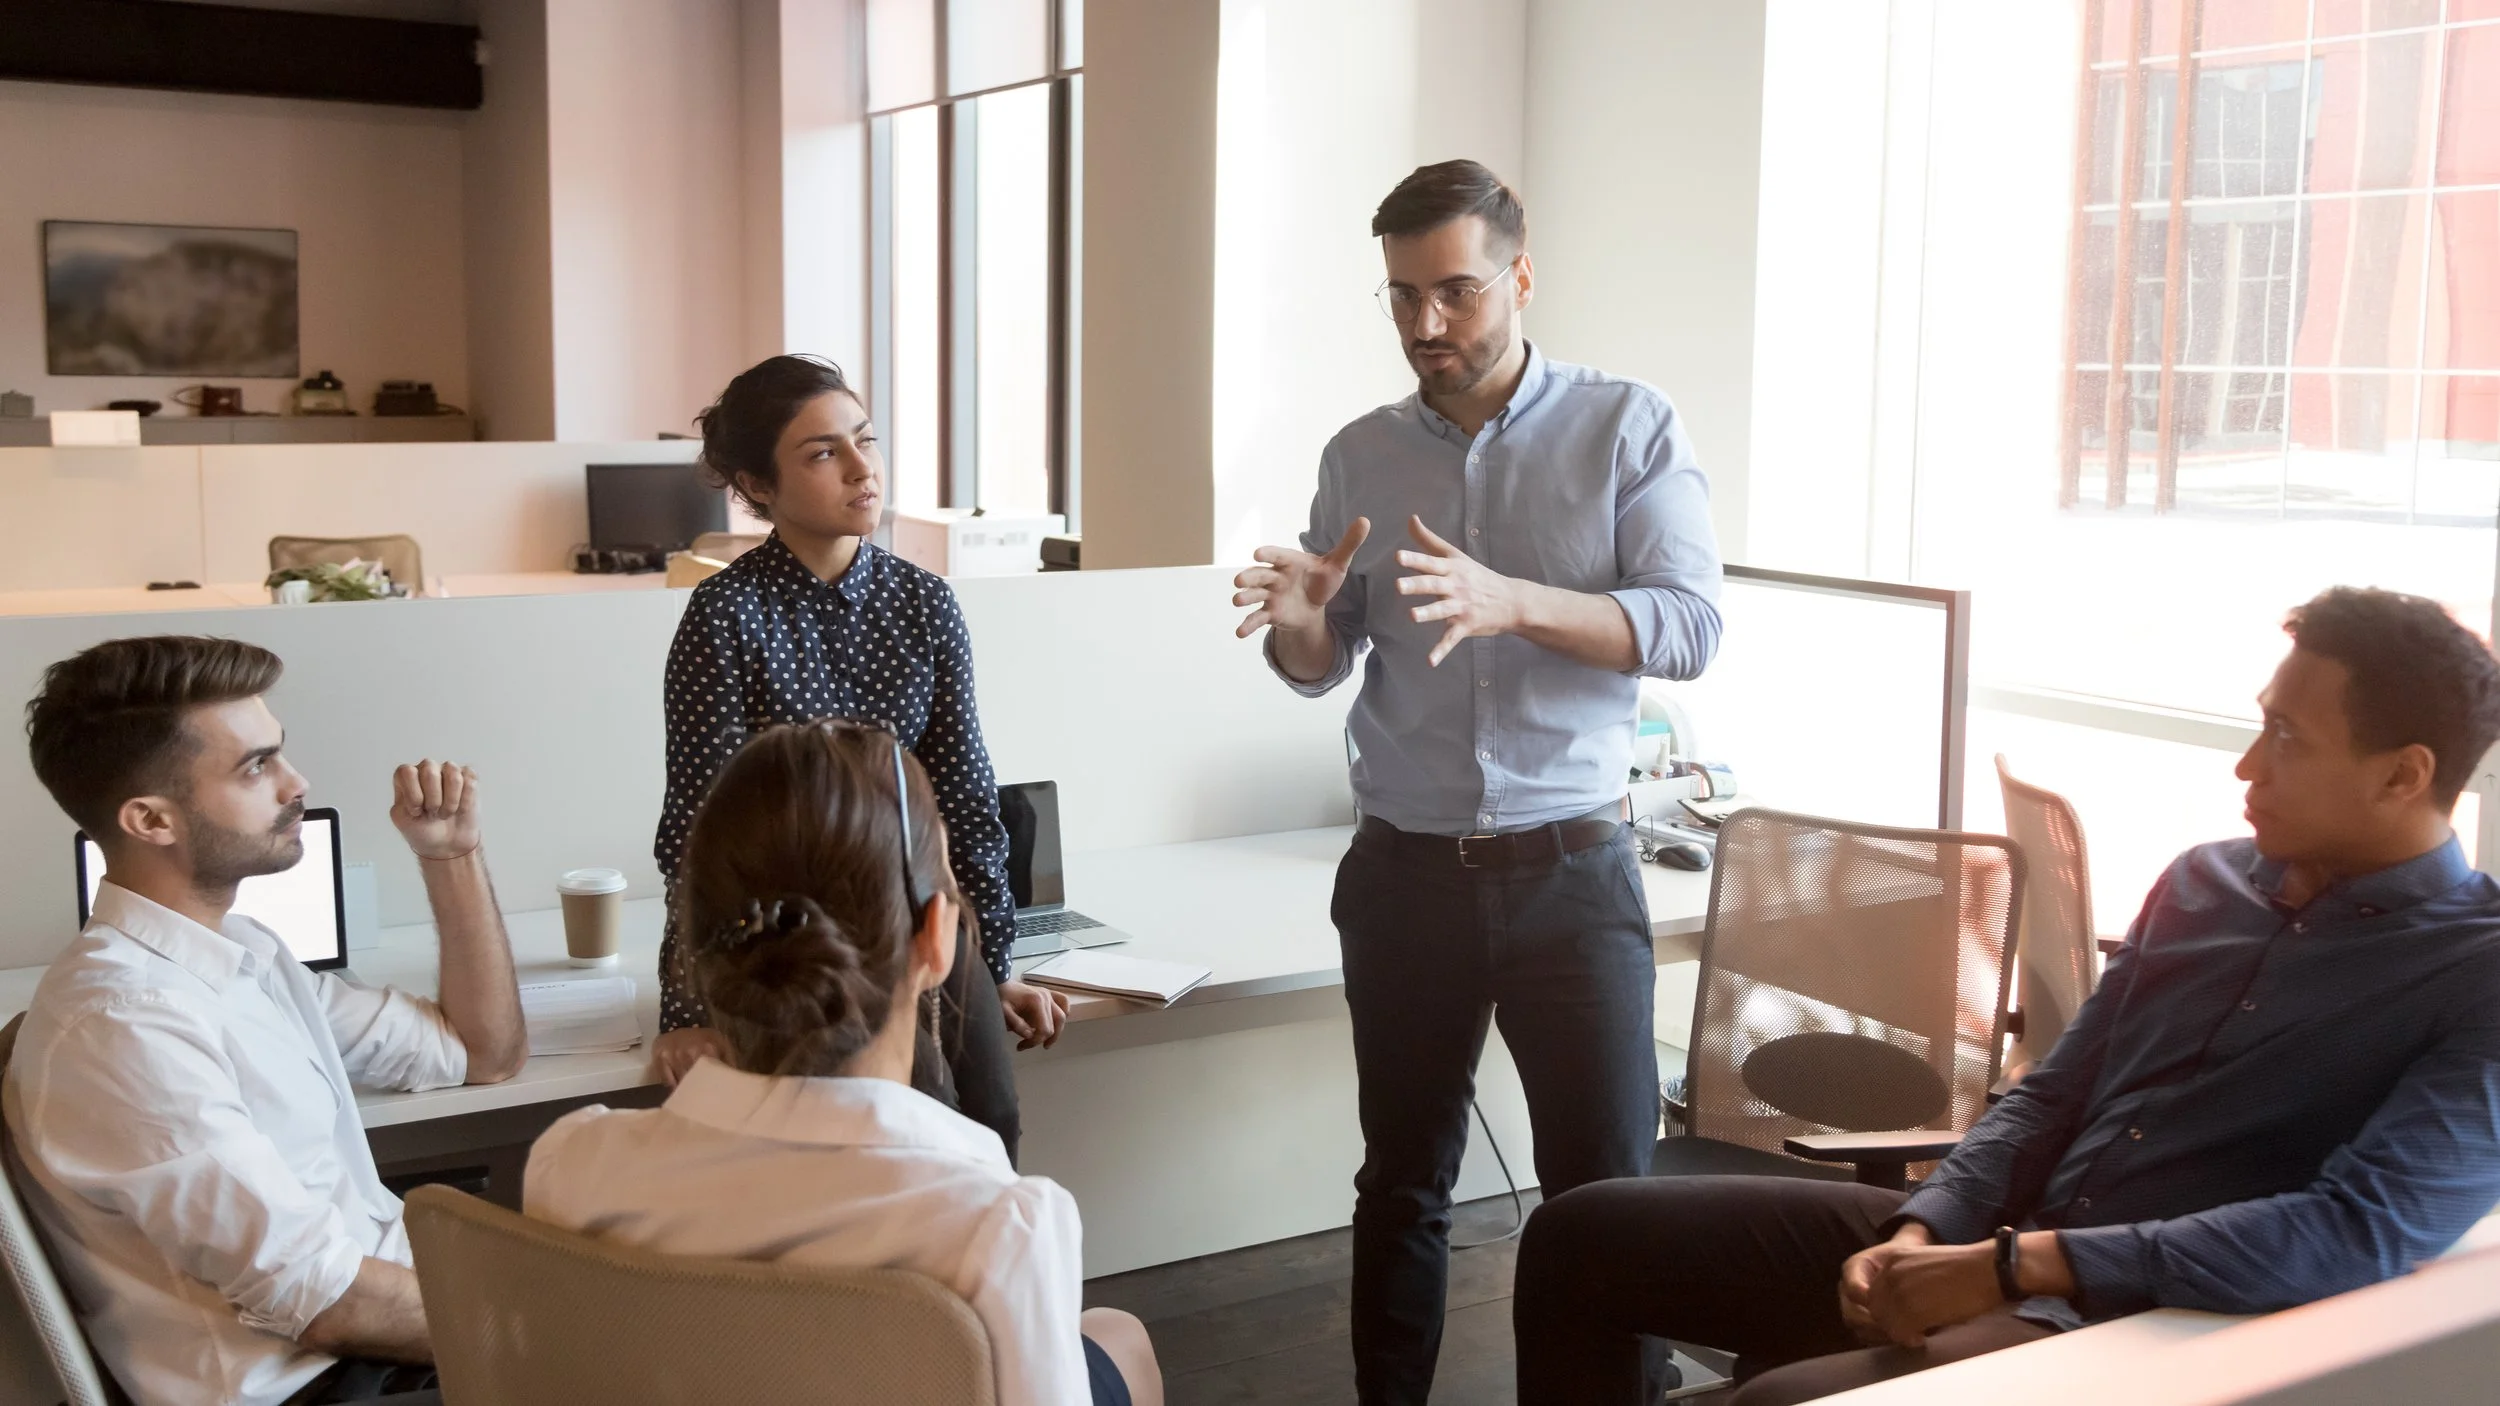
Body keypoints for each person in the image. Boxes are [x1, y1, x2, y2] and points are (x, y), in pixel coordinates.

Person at [1511, 586, 2500, 1405]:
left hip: (2131, 1317)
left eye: (2286, 735)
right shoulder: (2205, 880)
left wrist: (2016, 1266)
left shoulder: (2475, 974)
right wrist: (1925, 1226)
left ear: (2402, 774)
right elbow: (2050, 1092)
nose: (2246, 764)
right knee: (1578, 1234)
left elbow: (2354, 1230)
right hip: (1991, 1245)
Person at [1230, 159, 1725, 1403]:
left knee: (1603, 1196)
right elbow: (1322, 662)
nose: (1426, 327)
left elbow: (1686, 625)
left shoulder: (1627, 424)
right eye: (1401, 297)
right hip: (1405, 875)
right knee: (1400, 1180)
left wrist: (1514, 603)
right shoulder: (1359, 454)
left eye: (1454, 292)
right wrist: (1301, 623)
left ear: (1519, 274)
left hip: (1573, 872)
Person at [526, 720, 1162, 1406]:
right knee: (1117, 1335)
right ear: (936, 940)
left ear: (696, 951)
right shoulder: (1000, 1225)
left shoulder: (571, 1164)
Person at [1, 636, 528, 1406]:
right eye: (256, 766)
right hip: (329, 1382)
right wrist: (544, 1319)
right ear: (151, 819)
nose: (296, 783)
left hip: (395, 1334)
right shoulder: (125, 1025)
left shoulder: (240, 953)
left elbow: (480, 1054)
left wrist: (451, 857)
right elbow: (328, 1306)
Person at [647, 354, 1065, 1160]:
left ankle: (979, 1282)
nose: (862, 469)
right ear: (757, 486)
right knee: (893, 1124)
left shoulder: (925, 601)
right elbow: (698, 834)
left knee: (989, 1123)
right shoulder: (724, 617)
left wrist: (996, 963)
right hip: (789, 939)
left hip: (919, 912)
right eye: (822, 453)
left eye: (864, 441)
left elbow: (966, 804)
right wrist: (687, 1013)